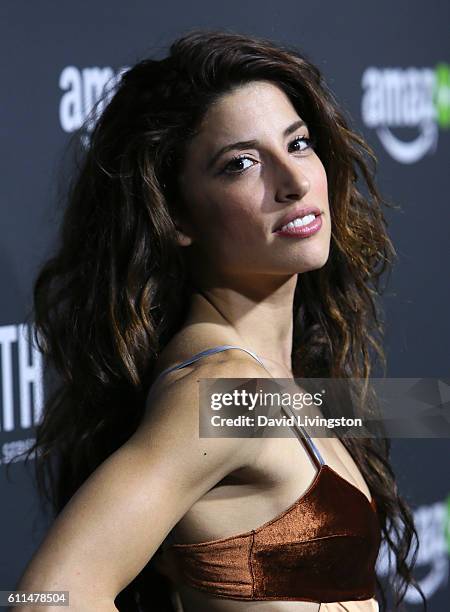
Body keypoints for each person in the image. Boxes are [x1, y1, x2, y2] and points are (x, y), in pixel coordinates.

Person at [11, 29, 427, 612]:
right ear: (175, 215)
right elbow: (43, 596)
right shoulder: (224, 390)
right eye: (241, 163)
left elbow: (414, 406)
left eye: (300, 144)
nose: (294, 181)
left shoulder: (268, 379)